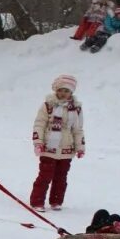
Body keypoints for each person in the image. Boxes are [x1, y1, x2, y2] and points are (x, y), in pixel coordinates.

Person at [30, 75, 84, 212]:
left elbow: (77, 129)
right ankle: (37, 201)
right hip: (49, 147)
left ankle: (56, 201)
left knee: (61, 177)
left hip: (66, 149)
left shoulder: (76, 109)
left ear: (71, 92)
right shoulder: (48, 105)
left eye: (66, 91)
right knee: (45, 176)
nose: (63, 93)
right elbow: (39, 124)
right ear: (56, 90)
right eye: (60, 90)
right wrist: (38, 142)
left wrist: (80, 147)